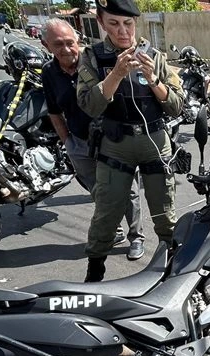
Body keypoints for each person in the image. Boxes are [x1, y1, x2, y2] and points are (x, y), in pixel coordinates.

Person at [76, 0, 184, 282]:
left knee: (165, 214)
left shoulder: (155, 56)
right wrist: (116, 74)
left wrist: (151, 79)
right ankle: (94, 274)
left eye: (128, 24)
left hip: (154, 142)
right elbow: (89, 105)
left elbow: (175, 106)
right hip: (115, 144)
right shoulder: (92, 56)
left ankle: (173, 272)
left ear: (136, 23)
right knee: (106, 214)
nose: (122, 31)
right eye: (114, 23)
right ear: (101, 23)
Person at [40, 18, 147, 260]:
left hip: (113, 139)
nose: (67, 49)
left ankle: (136, 237)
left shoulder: (96, 60)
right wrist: (68, 142)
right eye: (59, 44)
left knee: (127, 191)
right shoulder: (49, 72)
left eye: (70, 42)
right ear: (47, 45)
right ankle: (114, 229)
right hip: (79, 143)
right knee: (98, 191)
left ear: (77, 40)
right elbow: (54, 111)